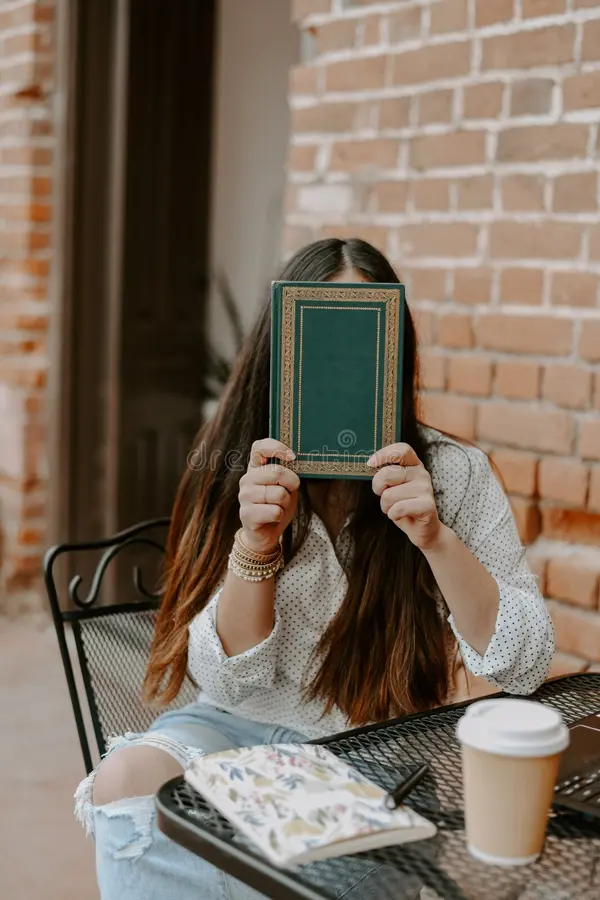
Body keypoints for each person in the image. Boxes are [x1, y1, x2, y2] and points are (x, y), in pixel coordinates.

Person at [76, 238, 554, 899]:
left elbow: (524, 662)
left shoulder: (450, 472)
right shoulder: (233, 465)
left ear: (395, 350)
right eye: (321, 332)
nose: (341, 363)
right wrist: (257, 545)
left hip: (369, 742)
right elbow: (223, 679)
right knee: (126, 782)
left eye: (364, 332)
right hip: (231, 727)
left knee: (313, 864)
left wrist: (434, 538)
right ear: (284, 351)